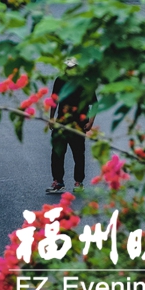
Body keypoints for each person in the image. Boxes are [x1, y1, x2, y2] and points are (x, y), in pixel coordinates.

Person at [46, 58, 94, 194]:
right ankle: (58, 182)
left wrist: (90, 122)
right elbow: (54, 100)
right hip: (61, 122)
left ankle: (79, 182)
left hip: (79, 124)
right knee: (57, 153)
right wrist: (51, 118)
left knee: (78, 154)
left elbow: (94, 103)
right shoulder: (60, 80)